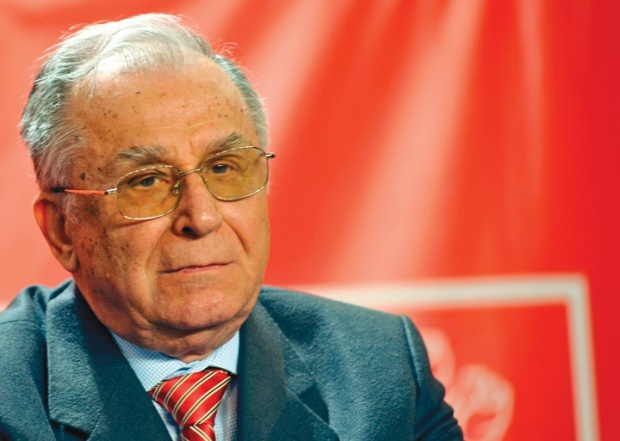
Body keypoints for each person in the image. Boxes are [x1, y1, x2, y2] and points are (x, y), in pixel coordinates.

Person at [0, 13, 463, 441]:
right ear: (62, 229)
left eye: (224, 168)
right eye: (147, 181)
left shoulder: (381, 368)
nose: (202, 217)